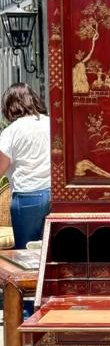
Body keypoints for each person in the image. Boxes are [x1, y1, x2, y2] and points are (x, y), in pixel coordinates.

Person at [0, 83, 51, 250]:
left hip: (27, 196)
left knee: (25, 253)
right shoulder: (52, 124)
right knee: (51, 253)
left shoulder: (12, 131)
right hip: (54, 194)